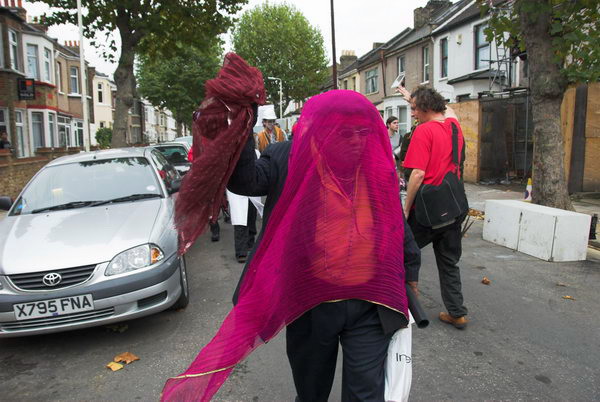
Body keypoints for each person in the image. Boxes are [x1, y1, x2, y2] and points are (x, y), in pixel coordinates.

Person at [162, 89, 421, 401]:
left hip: (370, 303)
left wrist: (410, 269)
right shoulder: (289, 156)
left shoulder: (371, 161)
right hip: (310, 303)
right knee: (311, 393)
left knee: (366, 395)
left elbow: (393, 219)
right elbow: (245, 181)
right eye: (345, 133)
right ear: (322, 131)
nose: (356, 141)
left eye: (362, 132)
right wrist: (245, 121)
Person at [401, 85, 469, 330]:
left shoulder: (424, 131)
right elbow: (448, 110)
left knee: (401, 254)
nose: (412, 114)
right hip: (453, 207)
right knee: (449, 261)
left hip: (427, 210)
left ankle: (406, 307)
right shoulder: (454, 127)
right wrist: (413, 96)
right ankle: (457, 312)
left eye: (414, 109)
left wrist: (407, 208)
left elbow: (418, 174)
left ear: (426, 108)